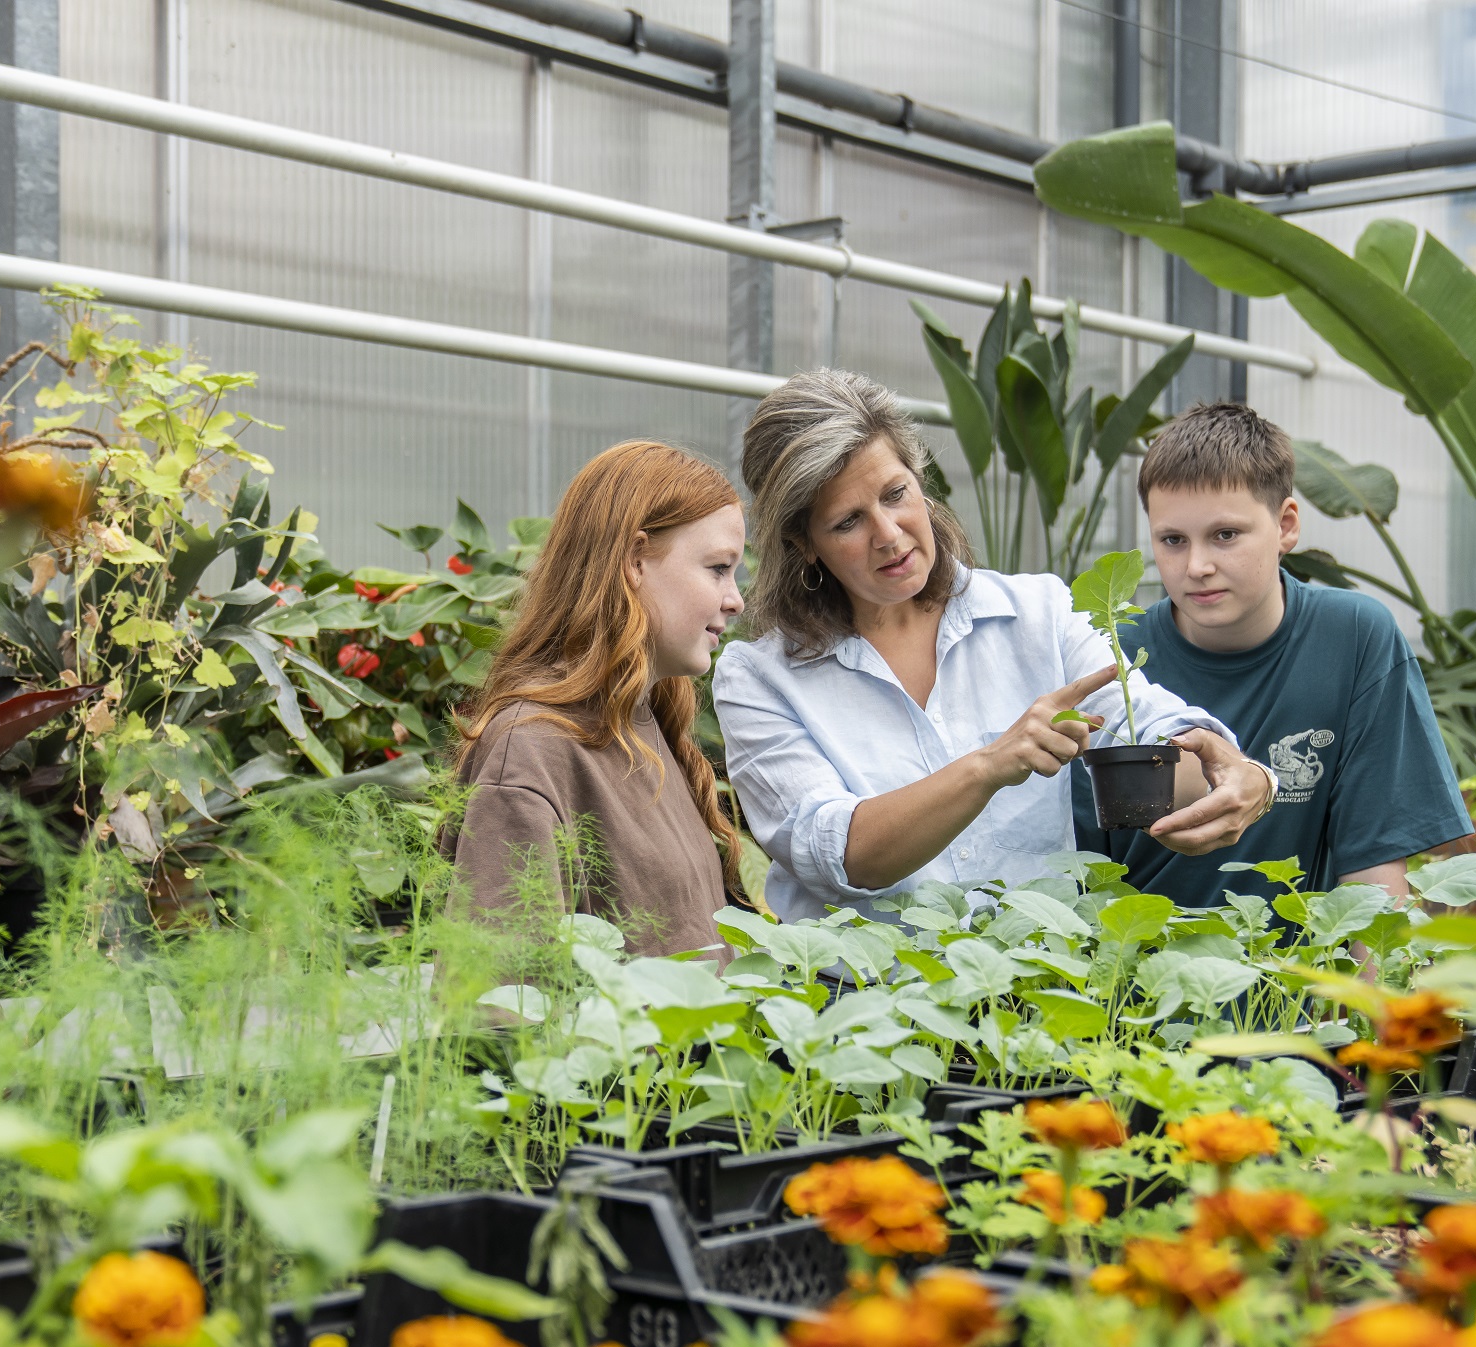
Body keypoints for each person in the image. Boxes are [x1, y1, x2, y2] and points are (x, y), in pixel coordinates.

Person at [713, 370, 1275, 924]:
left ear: (920, 479)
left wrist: (1240, 775)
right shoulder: (760, 679)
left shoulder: (1036, 614)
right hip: (865, 1000)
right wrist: (988, 766)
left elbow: (1148, 721)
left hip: (1038, 987)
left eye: (895, 494)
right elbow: (838, 855)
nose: (888, 533)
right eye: (847, 522)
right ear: (802, 543)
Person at [1074, 401, 1473, 906]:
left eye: (1225, 535)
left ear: (1285, 526)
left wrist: (1381, 986)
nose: (1197, 565)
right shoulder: (1110, 656)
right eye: (1172, 540)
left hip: (1291, 984)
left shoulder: (1354, 638)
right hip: (1130, 977)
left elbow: (1373, 867)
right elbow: (1077, 872)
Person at [446, 441, 747, 959]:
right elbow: (501, 1012)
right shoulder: (533, 750)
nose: (735, 599)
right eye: (718, 568)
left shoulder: (646, 724)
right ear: (634, 561)